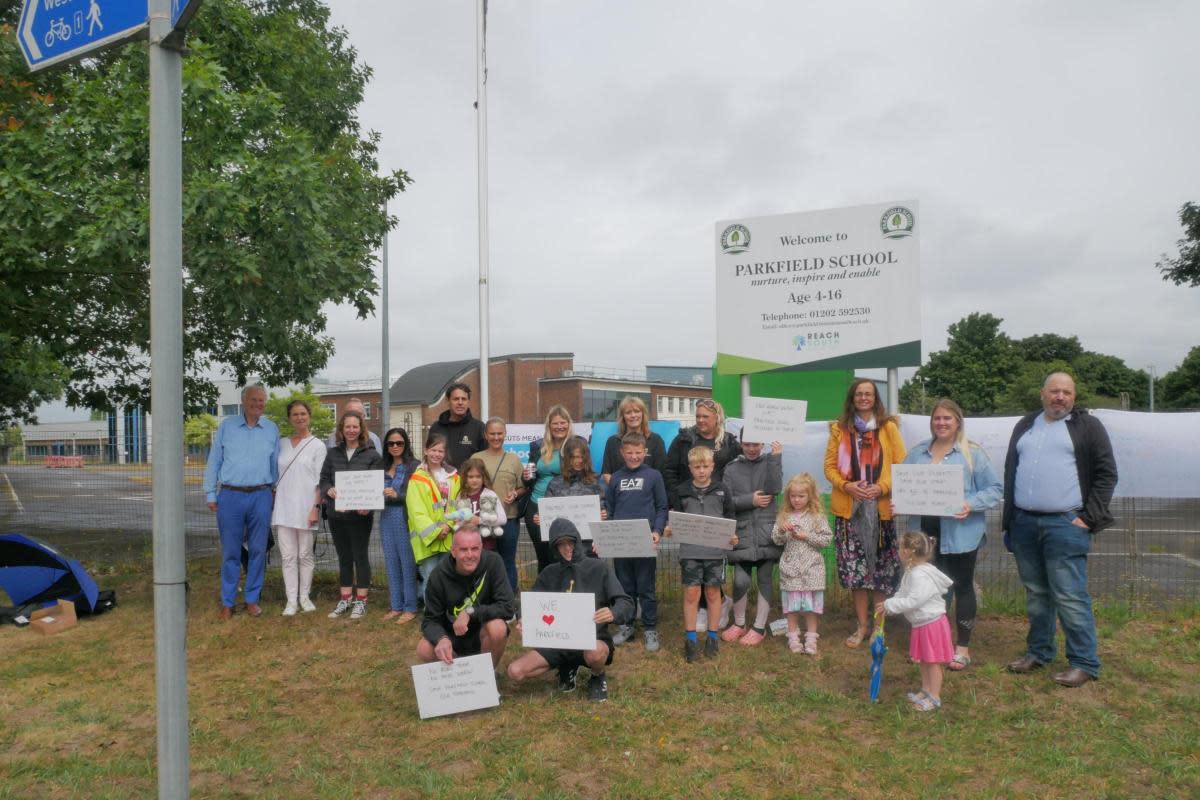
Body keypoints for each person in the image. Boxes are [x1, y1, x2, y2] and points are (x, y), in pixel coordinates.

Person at [1002, 372, 1117, 688]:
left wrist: (1090, 518)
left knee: (1069, 595)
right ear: (1042, 394)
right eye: (1054, 391)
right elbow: (1011, 472)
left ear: (1074, 397)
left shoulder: (1088, 427)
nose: (1060, 397)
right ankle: (1039, 652)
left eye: (1066, 392)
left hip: (1066, 525)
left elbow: (1107, 474)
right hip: (1024, 523)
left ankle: (1084, 662)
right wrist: (1009, 521)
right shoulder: (1026, 425)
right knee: (1037, 594)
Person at [898, 398, 1002, 670]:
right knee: (925, 590)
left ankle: (962, 648)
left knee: (962, 587)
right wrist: (900, 501)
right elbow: (904, 487)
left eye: (947, 418)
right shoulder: (918, 452)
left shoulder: (973, 454)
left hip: (960, 535)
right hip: (923, 537)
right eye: (937, 418)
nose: (941, 423)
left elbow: (994, 490)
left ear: (958, 422)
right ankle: (929, 646)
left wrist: (971, 504)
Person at [507, 519, 634, 702]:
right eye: (561, 544)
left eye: (570, 542)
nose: (567, 548)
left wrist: (613, 613)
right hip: (557, 643)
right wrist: (522, 618)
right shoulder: (549, 573)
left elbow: (626, 602)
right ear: (554, 547)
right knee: (515, 671)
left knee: (596, 653)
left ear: (578, 541)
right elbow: (529, 603)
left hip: (591, 639)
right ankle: (566, 666)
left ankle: (598, 676)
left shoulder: (598, 568)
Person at [823, 378, 907, 648]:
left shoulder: (889, 428)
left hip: (881, 513)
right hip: (849, 513)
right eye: (859, 393)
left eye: (868, 394)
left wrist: (881, 488)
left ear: (875, 398)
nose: (863, 398)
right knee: (856, 574)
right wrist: (847, 486)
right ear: (852, 398)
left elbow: (902, 467)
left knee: (881, 574)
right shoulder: (839, 429)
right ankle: (862, 626)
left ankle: (878, 628)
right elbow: (829, 468)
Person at [204, 384, 279, 619]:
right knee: (231, 551)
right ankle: (228, 601)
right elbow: (214, 461)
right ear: (244, 402)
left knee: (258, 550)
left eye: (261, 401)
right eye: (254, 400)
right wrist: (210, 492)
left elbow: (275, 463)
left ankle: (252, 599)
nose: (258, 404)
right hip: (230, 496)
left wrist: (273, 491)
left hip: (261, 495)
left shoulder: (271, 429)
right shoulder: (227, 427)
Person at [663, 446, 737, 662]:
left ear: (713, 467)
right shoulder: (682, 490)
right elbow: (676, 518)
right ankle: (691, 638)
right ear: (690, 468)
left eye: (706, 466)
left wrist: (732, 536)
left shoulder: (722, 490)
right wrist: (670, 529)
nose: (702, 471)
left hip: (715, 552)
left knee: (713, 594)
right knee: (691, 594)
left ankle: (712, 637)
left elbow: (730, 517)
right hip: (690, 552)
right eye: (697, 467)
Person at [877, 531, 955, 712]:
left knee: (932, 661)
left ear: (907, 552)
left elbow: (914, 600)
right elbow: (903, 594)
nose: (897, 551)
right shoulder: (912, 571)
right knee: (924, 660)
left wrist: (891, 604)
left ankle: (934, 697)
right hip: (922, 623)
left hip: (932, 625)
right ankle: (926, 690)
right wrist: (889, 605)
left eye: (899, 547)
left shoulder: (920, 575)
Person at [605, 432, 668, 652]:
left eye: (638, 452)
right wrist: (608, 535)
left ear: (645, 452)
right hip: (622, 544)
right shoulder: (615, 478)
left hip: (644, 542)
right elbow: (610, 510)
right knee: (625, 588)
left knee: (646, 587)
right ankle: (626, 626)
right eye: (629, 452)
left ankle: (650, 628)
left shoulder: (654, 476)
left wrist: (657, 531)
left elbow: (661, 507)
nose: (633, 456)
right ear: (621, 453)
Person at [417, 528, 514, 668]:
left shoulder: (493, 562)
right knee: (423, 648)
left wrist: (471, 612)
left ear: (481, 548)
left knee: (498, 628)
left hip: (483, 633)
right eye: (463, 549)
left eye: (475, 549)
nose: (470, 555)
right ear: (453, 551)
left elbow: (507, 607)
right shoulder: (438, 575)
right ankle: (461, 674)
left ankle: (486, 674)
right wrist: (441, 638)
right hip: (453, 636)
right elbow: (430, 620)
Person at [720, 434, 784, 647]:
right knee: (740, 581)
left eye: (755, 444)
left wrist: (776, 457)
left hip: (767, 532)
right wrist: (751, 500)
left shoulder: (769, 461)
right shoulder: (731, 469)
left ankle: (759, 627)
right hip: (742, 533)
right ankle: (739, 624)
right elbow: (726, 502)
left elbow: (775, 489)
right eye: (747, 444)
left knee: (765, 579)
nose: (751, 448)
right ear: (741, 444)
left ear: (762, 444)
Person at [320, 410, 382, 620]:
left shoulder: (372, 455)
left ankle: (361, 601)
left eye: (355, 426)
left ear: (361, 428)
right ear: (341, 429)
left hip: (360, 517)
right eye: (348, 427)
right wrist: (329, 490)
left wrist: (369, 505)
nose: (351, 430)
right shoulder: (332, 453)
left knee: (360, 556)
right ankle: (345, 598)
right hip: (337, 516)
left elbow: (377, 485)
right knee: (344, 557)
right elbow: (324, 479)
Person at [271, 399, 326, 616]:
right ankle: (291, 600)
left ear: (309, 416)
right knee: (287, 556)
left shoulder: (318, 445)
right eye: (295, 414)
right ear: (289, 418)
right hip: (284, 508)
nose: (299, 417)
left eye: (303, 413)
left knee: (305, 554)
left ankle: (305, 597)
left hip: (306, 507)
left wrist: (315, 508)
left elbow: (320, 481)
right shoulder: (281, 444)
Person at [771, 473, 833, 655]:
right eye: (793, 496)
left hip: (812, 569)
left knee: (811, 607)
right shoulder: (784, 516)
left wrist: (808, 536)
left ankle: (812, 638)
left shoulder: (816, 517)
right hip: (790, 569)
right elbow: (776, 539)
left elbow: (827, 539)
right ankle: (793, 637)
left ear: (810, 496)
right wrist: (782, 531)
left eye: (801, 496)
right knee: (792, 607)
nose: (796, 500)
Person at [407, 432, 462, 604]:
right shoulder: (417, 478)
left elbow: (459, 504)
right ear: (425, 450)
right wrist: (437, 531)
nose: (436, 454)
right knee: (430, 576)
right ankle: (432, 615)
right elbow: (417, 511)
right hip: (428, 539)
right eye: (433, 450)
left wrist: (450, 526)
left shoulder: (454, 477)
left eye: (440, 451)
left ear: (445, 454)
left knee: (447, 576)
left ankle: (445, 612)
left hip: (449, 536)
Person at [525, 405, 581, 572]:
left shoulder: (577, 444)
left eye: (563, 423)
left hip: (564, 505)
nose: (559, 427)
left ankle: (566, 593)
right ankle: (544, 596)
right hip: (536, 505)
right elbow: (530, 478)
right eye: (555, 423)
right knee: (543, 557)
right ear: (549, 426)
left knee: (563, 555)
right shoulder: (537, 447)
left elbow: (582, 474)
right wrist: (526, 477)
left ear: (569, 424)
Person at [475, 417, 526, 592]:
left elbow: (522, 487)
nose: (496, 437)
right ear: (486, 435)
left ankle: (509, 601)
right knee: (483, 561)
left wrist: (515, 493)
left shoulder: (513, 459)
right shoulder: (477, 458)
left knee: (507, 561)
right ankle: (486, 597)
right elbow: (468, 485)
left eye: (499, 433)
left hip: (508, 519)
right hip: (482, 519)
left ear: (505, 434)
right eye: (492, 433)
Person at [534, 438, 609, 555]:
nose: (578, 461)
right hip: (562, 545)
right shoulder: (555, 483)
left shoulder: (597, 481)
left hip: (590, 546)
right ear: (566, 459)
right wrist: (540, 518)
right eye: (573, 457)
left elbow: (604, 507)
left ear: (587, 457)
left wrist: (604, 514)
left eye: (581, 457)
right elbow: (544, 512)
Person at [663, 398, 742, 505]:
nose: (700, 420)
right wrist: (677, 498)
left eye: (705, 416)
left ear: (716, 418)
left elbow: (742, 467)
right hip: (688, 501)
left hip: (718, 502)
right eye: (698, 416)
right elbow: (669, 471)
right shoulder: (684, 439)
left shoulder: (728, 442)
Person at [381, 427, 420, 624]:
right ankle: (396, 605)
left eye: (399, 443)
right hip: (386, 518)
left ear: (406, 444)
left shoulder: (415, 466)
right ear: (386, 446)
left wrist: (398, 495)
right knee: (391, 562)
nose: (395, 446)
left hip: (405, 518)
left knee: (407, 563)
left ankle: (410, 607)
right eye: (391, 443)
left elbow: (418, 495)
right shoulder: (381, 466)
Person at [599, 396, 667, 483]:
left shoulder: (655, 440)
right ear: (623, 416)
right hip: (620, 493)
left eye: (637, 411)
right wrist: (621, 490)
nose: (633, 415)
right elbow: (606, 473)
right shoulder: (612, 442)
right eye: (628, 412)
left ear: (643, 414)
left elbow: (662, 472)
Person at [429, 381, 487, 468]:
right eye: (456, 399)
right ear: (448, 401)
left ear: (468, 402)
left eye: (464, 399)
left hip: (468, 481)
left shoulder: (479, 427)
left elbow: (485, 460)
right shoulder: (436, 428)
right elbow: (429, 457)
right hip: (441, 480)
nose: (460, 402)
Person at [455, 457, 507, 550]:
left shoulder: (490, 494)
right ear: (465, 478)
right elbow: (456, 518)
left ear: (483, 477)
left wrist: (480, 520)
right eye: (471, 477)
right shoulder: (461, 495)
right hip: (466, 546)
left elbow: (503, 519)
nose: (474, 480)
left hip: (487, 546)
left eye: (478, 476)